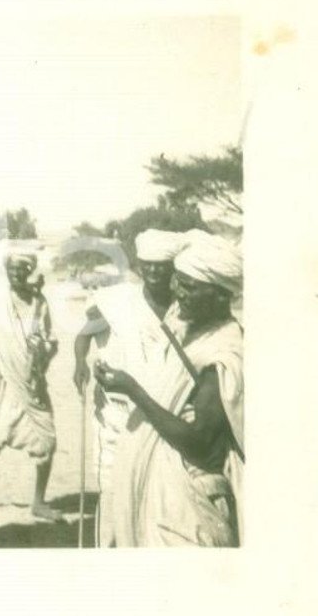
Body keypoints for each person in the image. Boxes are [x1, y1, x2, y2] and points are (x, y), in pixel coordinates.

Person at [95, 230, 243, 546]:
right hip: (162, 491)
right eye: (177, 281)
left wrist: (134, 391)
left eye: (188, 286)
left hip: (188, 499)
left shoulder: (222, 352)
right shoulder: (187, 326)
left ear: (219, 296)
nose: (177, 292)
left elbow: (201, 443)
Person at [72, 229, 187, 546]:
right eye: (147, 264)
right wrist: (80, 362)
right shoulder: (118, 302)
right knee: (112, 500)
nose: (153, 271)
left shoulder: (185, 306)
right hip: (119, 421)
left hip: (165, 418)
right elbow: (84, 336)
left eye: (161, 265)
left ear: (173, 267)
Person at [0, 244, 62, 521]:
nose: (16, 275)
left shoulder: (40, 304)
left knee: (47, 439)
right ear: (6, 271)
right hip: (1, 380)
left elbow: (50, 342)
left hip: (31, 381)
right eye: (11, 270)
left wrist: (43, 349)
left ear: (29, 271)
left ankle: (38, 502)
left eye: (21, 270)